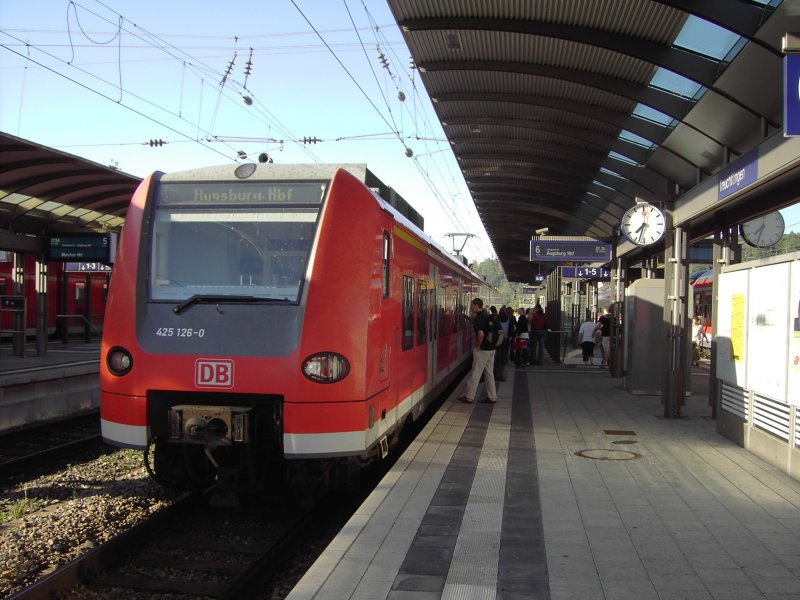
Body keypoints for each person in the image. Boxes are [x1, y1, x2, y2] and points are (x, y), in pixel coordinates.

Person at [459, 298, 498, 404]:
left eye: (472, 305)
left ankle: (469, 397)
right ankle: (492, 397)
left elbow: (480, 334)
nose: (471, 307)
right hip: (491, 349)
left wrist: (477, 346)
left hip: (483, 350)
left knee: (476, 373)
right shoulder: (485, 315)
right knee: (489, 374)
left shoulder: (479, 318)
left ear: (476, 306)